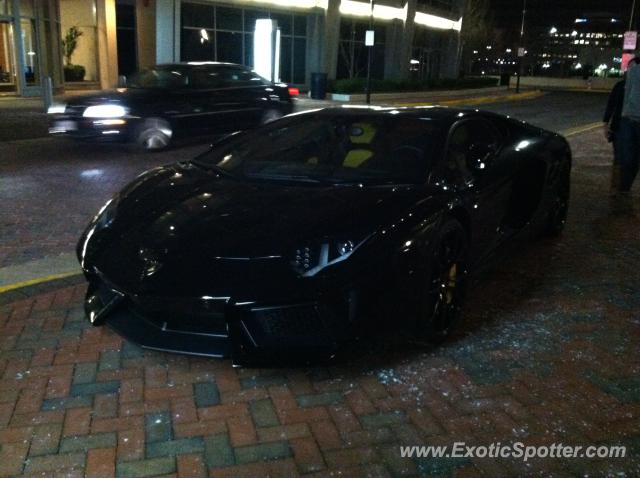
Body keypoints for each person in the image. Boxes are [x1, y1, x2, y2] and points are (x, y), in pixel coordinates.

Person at [618, 57, 640, 196]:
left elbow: (627, 93)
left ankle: (624, 187)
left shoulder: (632, 71)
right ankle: (624, 186)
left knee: (628, 155)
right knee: (633, 156)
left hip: (629, 117)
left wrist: (624, 113)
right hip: (631, 116)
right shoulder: (633, 71)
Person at [603, 77, 625, 194]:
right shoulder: (620, 86)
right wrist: (606, 123)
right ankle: (616, 187)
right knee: (619, 156)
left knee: (629, 157)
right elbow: (611, 104)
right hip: (619, 126)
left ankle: (623, 186)